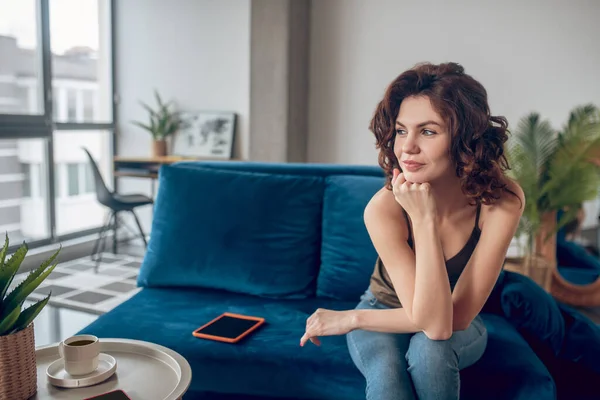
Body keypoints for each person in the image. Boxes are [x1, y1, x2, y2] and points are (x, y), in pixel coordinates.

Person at [299, 62, 525, 400]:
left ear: (465, 138)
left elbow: (444, 323)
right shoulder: (383, 209)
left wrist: (350, 319)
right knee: (388, 381)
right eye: (401, 131)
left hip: (458, 317)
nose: (407, 147)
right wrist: (419, 219)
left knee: (431, 352)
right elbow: (427, 317)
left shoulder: (500, 200)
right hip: (382, 308)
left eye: (428, 131)